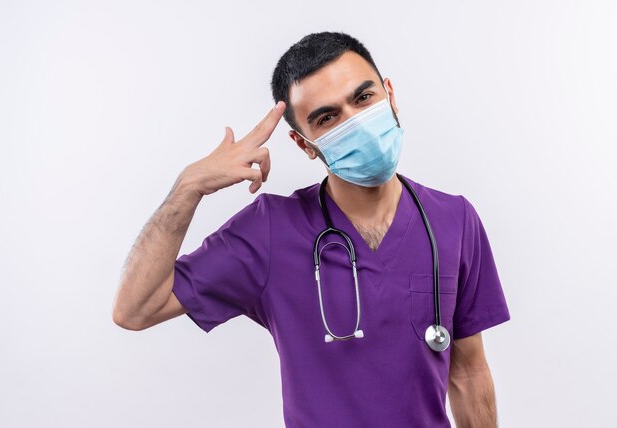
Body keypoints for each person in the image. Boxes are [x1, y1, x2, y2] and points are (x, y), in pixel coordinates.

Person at [112, 31, 511, 428]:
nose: (355, 123)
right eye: (327, 117)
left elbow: (468, 374)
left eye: (363, 97)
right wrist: (188, 189)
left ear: (389, 94)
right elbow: (135, 309)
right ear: (305, 144)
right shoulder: (270, 230)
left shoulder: (454, 219)